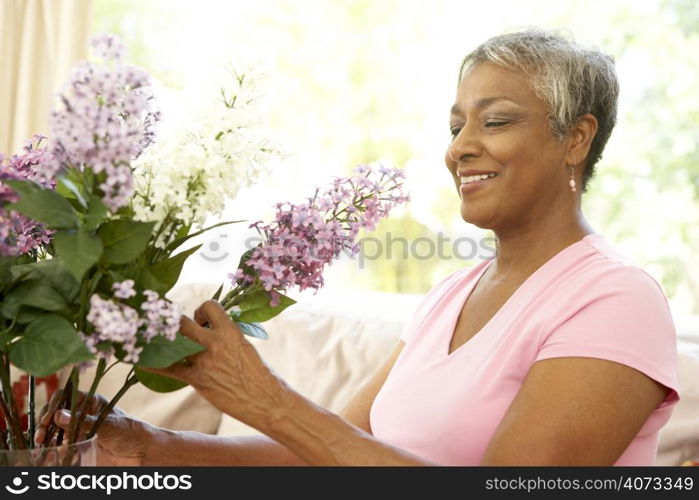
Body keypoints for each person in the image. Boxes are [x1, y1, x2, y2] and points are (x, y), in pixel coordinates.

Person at [37, 27, 680, 466]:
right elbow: (324, 455)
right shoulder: (453, 292)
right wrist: (139, 441)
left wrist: (267, 401)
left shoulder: (614, 300)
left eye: (496, 120)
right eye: (456, 125)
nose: (460, 146)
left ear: (576, 139)